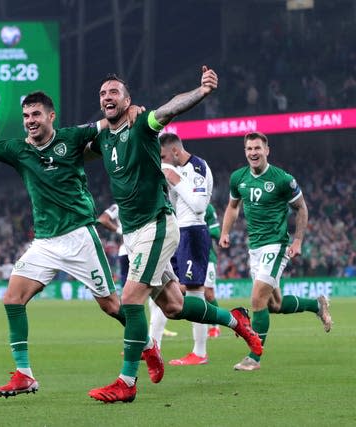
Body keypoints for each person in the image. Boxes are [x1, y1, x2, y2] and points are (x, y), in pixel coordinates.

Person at [0, 91, 140, 398]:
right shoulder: (17, 149)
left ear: (51, 116)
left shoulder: (72, 138)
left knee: (111, 306)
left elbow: (110, 121)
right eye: (26, 116)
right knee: (12, 299)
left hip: (79, 237)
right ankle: (24, 374)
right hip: (45, 242)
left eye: (36, 115)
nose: (30, 121)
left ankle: (147, 344)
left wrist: (133, 110)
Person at [86, 67, 263, 403]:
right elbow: (73, 146)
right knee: (174, 306)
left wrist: (201, 91)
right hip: (134, 233)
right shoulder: (102, 137)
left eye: (114, 92)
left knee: (131, 301)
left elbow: (169, 109)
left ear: (128, 101)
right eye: (103, 94)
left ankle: (127, 380)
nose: (107, 97)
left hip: (157, 225)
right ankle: (236, 320)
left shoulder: (141, 124)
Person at [219, 131, 333, 371]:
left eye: (257, 148)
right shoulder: (238, 178)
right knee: (274, 305)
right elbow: (232, 206)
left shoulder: (282, 179)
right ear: (245, 152)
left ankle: (254, 356)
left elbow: (301, 208)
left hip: (276, 245)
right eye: (249, 149)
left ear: (267, 150)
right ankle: (317, 305)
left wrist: (298, 241)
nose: (253, 153)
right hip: (255, 249)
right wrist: (225, 232)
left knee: (257, 298)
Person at [158, 133, 214, 366]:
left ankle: (200, 352)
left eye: (163, 156)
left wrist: (174, 178)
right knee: (166, 288)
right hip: (180, 234)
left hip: (193, 233)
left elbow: (200, 206)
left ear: (175, 152)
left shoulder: (197, 167)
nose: (162, 161)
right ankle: (153, 342)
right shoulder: (179, 171)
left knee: (194, 292)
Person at [98, 204, 178, 339]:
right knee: (138, 295)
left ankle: (149, 331)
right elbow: (102, 220)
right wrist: (120, 231)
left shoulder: (122, 204)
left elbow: (103, 219)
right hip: (135, 250)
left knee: (138, 295)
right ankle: (144, 336)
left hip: (131, 250)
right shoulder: (121, 205)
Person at [204, 203, 222, 338]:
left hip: (207, 257)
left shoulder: (207, 207)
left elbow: (216, 232)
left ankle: (216, 325)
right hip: (187, 256)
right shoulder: (179, 204)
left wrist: (198, 231)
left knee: (208, 294)